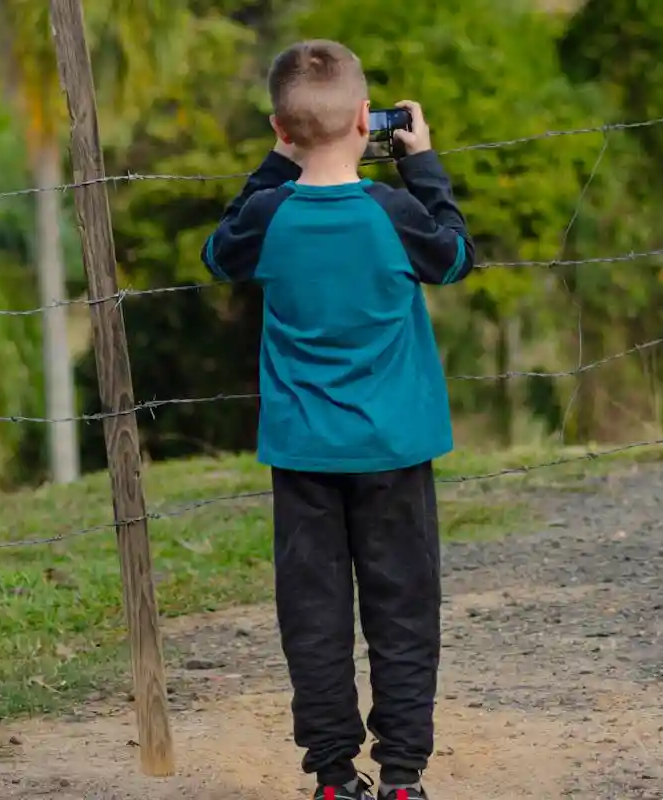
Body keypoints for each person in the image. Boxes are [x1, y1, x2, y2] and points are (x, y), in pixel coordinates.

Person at [199, 38, 474, 800]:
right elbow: (454, 258)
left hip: (304, 455)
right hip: (394, 449)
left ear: (280, 130)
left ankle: (330, 776)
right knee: (404, 612)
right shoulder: (394, 212)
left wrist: (276, 166)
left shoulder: (266, 216)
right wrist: (422, 166)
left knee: (314, 619)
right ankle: (404, 778)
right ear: (367, 120)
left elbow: (219, 255)